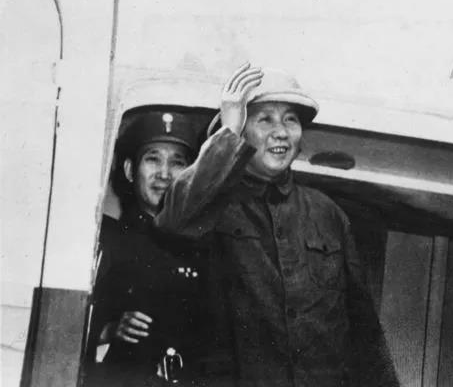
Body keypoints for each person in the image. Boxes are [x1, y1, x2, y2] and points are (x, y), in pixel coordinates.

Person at [155, 64, 399, 387]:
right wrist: (228, 132)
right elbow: (173, 222)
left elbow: (364, 331)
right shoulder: (213, 205)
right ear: (241, 131)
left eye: (290, 119)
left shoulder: (328, 214)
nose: (281, 132)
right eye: (265, 119)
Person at [85, 106, 221, 386]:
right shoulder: (102, 239)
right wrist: (109, 330)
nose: (165, 174)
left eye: (177, 163)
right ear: (129, 170)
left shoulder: (211, 245)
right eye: (153, 159)